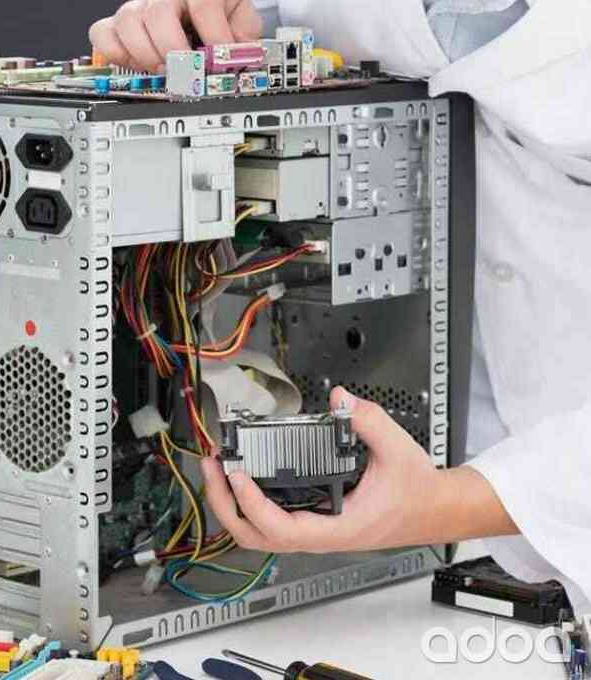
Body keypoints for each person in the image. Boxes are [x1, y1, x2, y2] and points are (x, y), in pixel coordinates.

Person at [90, 0, 591, 611]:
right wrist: (177, 26)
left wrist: (450, 502)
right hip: (380, 568)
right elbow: (250, 30)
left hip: (522, 527)